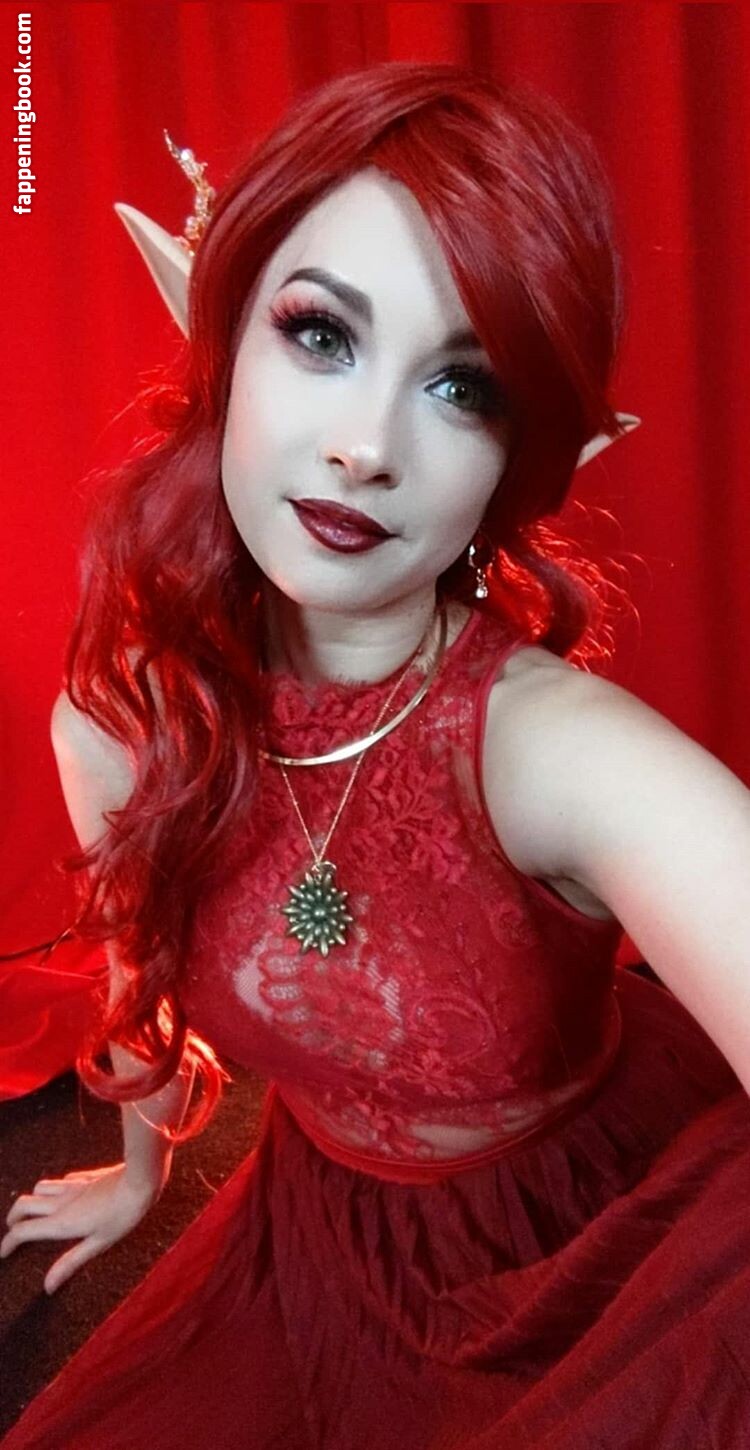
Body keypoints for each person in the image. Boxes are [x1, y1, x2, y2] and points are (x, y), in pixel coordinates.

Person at [2, 59, 749, 1450]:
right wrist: (137, 1173)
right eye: (319, 333)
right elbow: (138, 977)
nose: (363, 447)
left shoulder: (554, 750)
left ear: (522, 461)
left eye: (463, 388)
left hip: (595, 1241)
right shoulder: (121, 718)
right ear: (225, 343)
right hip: (323, 1245)